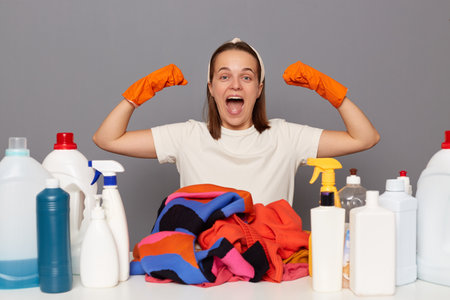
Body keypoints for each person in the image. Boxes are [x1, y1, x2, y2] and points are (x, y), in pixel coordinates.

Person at [93, 38, 379, 206]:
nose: (235, 86)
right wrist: (136, 96)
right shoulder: (187, 137)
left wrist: (330, 91)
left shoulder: (287, 137)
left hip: (267, 272)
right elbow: (107, 138)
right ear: (211, 87)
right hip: (204, 269)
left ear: (258, 89)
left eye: (246, 77)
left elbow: (364, 137)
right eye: (224, 76)